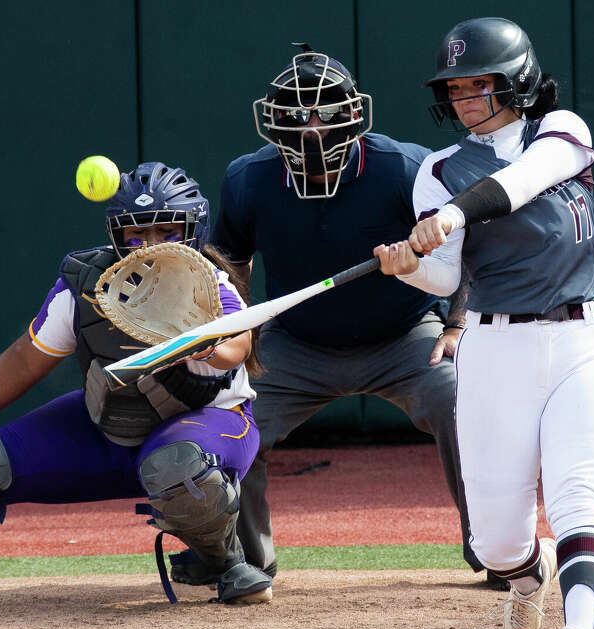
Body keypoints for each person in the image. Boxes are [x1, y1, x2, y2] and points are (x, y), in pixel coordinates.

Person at [375, 17, 594, 629]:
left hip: (581, 340)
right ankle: (527, 581)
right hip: (492, 350)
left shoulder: (562, 131)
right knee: (496, 541)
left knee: (578, 492)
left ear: (516, 81)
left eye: (478, 84)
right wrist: (407, 264)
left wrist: (452, 216)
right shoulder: (437, 170)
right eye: (455, 88)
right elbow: (446, 277)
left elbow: (518, 184)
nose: (464, 99)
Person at [204, 46, 502, 589]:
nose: (311, 128)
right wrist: (240, 334)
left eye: (325, 113)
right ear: (273, 118)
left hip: (405, 335)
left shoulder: (405, 168)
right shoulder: (248, 178)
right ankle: (246, 560)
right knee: (228, 423)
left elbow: (469, 244)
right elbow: (230, 263)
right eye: (297, 114)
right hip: (295, 341)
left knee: (458, 397)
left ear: (352, 113)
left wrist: (457, 325)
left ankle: (494, 549)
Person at [0, 161, 272, 605]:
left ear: (193, 231)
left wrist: (202, 345)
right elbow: (24, 360)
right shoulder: (85, 284)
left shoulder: (210, 283)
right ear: (116, 234)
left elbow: (238, 344)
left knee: (174, 464)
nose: (150, 245)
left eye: (167, 231)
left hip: (205, 425)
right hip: (107, 428)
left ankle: (224, 561)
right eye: (136, 234)